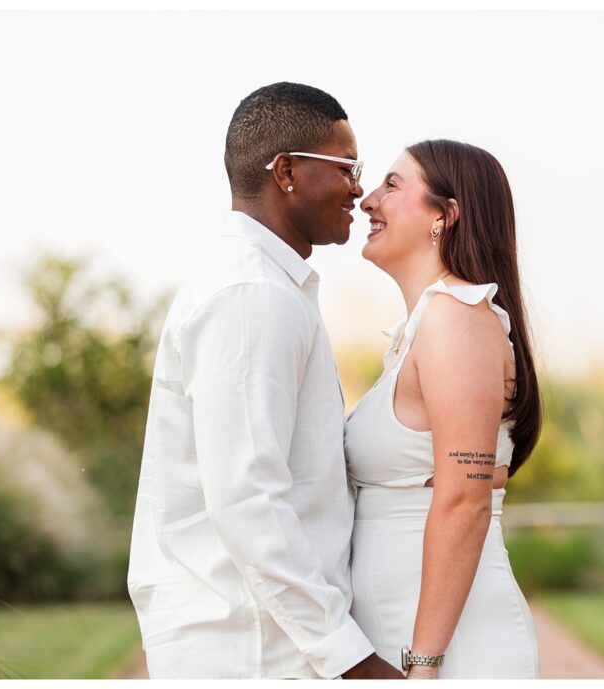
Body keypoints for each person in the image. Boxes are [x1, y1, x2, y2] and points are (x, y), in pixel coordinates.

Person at [126, 82, 401, 679]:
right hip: (252, 648)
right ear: (287, 172)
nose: (359, 188)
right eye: (348, 166)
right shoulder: (251, 294)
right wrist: (349, 658)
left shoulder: (267, 285)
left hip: (265, 640)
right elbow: (248, 496)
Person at [344, 139, 543, 678]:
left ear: (445, 215)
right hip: (404, 634)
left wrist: (424, 663)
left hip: (451, 649)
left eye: (392, 185)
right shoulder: (425, 327)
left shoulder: (455, 319)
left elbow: (464, 501)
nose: (367, 201)